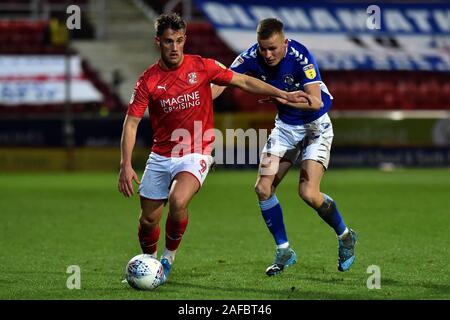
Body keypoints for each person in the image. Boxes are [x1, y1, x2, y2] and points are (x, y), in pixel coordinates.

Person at [117, 13, 313, 285]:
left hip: (196, 150)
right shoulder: (148, 81)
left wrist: (283, 94)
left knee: (178, 201)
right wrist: (126, 164)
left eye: (179, 41)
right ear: (158, 42)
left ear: (185, 40)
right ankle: (148, 264)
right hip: (161, 155)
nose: (174, 47)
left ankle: (167, 259)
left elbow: (242, 80)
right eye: (168, 41)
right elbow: (131, 122)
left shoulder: (202, 66)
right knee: (148, 220)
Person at [212, 18, 357, 276]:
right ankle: (284, 251)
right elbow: (224, 81)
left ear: (285, 42)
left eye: (273, 48)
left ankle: (345, 236)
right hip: (285, 130)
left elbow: (314, 102)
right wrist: (198, 99)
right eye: (263, 48)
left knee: (309, 194)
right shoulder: (250, 57)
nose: (267, 54)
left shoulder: (301, 56)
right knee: (263, 187)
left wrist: (280, 96)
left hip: (316, 128)